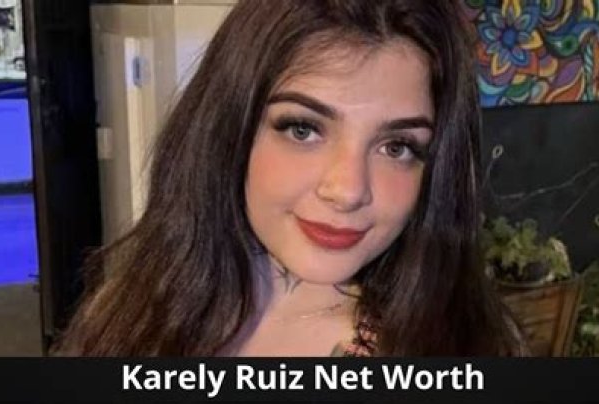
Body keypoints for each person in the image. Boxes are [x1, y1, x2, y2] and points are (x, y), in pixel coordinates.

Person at [55, 0, 526, 356]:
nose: (348, 191)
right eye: (303, 129)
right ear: (229, 131)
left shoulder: (462, 347)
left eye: (397, 147)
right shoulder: (129, 307)